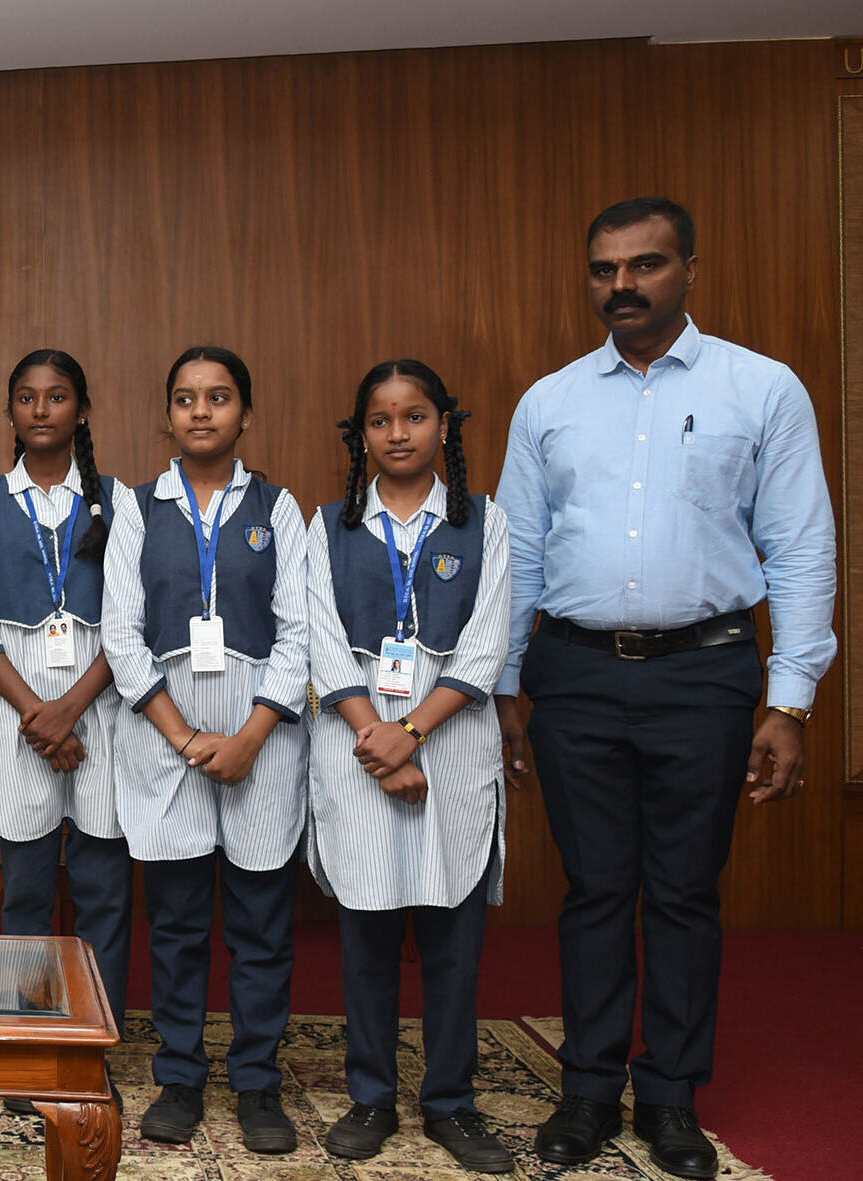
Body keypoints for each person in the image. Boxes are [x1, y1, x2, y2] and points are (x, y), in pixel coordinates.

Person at [494, 197, 835, 1180]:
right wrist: (508, 687)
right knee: (594, 888)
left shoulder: (759, 388)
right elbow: (515, 558)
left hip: (706, 669)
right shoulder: (549, 400)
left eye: (642, 265)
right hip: (572, 674)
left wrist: (790, 695)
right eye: (603, 269)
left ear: (688, 268)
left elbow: (800, 546)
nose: (621, 286)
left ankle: (672, 1097)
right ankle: (588, 1090)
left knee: (683, 891)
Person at [306, 361, 513, 1172]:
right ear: (360, 435)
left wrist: (413, 734)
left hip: (452, 739)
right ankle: (371, 1095)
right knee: (367, 924)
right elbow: (322, 641)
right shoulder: (326, 525)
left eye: (416, 416)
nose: (398, 432)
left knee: (454, 930)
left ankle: (452, 1103)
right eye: (381, 420)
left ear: (444, 426)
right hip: (356, 740)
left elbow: (491, 642)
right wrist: (377, 739)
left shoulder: (486, 522)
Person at [101, 346, 308, 1153]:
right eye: (185, 398)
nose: (200, 411)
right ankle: (181, 1075)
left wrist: (252, 734)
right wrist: (185, 734)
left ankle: (258, 1082)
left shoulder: (279, 507)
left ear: (244, 413)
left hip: (261, 742)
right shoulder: (137, 509)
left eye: (218, 397)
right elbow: (120, 632)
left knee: (261, 927)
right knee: (180, 924)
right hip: (167, 741)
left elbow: (298, 633)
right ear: (167, 414)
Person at [0, 349, 131, 1113]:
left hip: (102, 712)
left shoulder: (120, 500)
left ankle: (90, 1043)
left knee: (103, 893)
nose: (43, 408)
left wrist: (72, 710)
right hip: (16, 715)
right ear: (12, 412)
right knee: (24, 891)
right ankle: (22, 1042)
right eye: (27, 397)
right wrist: (39, 714)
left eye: (59, 396)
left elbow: (130, 622)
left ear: (82, 410)